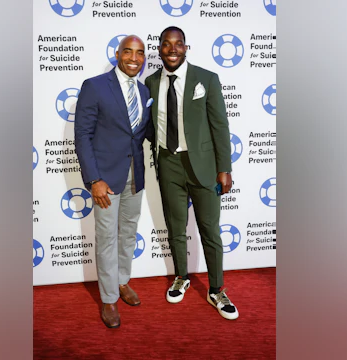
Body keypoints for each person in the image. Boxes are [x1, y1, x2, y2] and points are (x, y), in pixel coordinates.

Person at [144, 26, 239, 320]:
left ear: (187, 48)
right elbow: (147, 125)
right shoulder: (149, 82)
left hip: (205, 167)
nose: (172, 49)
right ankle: (181, 277)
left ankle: (216, 290)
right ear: (159, 49)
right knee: (175, 227)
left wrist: (225, 168)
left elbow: (220, 126)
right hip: (168, 163)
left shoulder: (207, 79)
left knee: (210, 230)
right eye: (166, 44)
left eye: (178, 44)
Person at [74, 35, 151, 328]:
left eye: (140, 53)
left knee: (128, 232)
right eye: (128, 52)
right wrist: (94, 179)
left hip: (135, 175)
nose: (134, 58)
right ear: (118, 54)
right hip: (105, 178)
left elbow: (139, 134)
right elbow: (82, 135)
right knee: (107, 237)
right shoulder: (94, 86)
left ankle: (121, 281)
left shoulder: (143, 92)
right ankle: (108, 299)